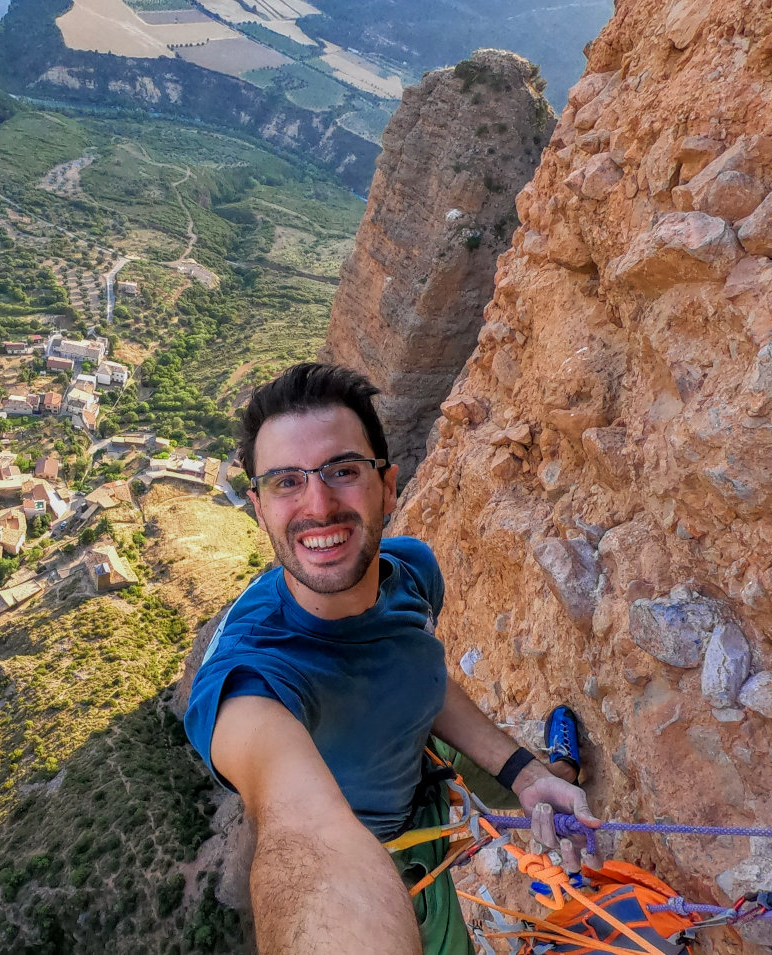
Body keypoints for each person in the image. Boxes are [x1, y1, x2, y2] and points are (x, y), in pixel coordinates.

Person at [184, 363, 598, 955]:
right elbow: (304, 831)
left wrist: (522, 773)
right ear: (258, 506)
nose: (319, 504)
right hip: (393, 880)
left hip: (424, 777)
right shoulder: (250, 680)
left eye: (343, 471)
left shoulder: (411, 570)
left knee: (536, 781)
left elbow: (417, 674)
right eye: (285, 482)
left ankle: (553, 774)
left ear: (388, 485)